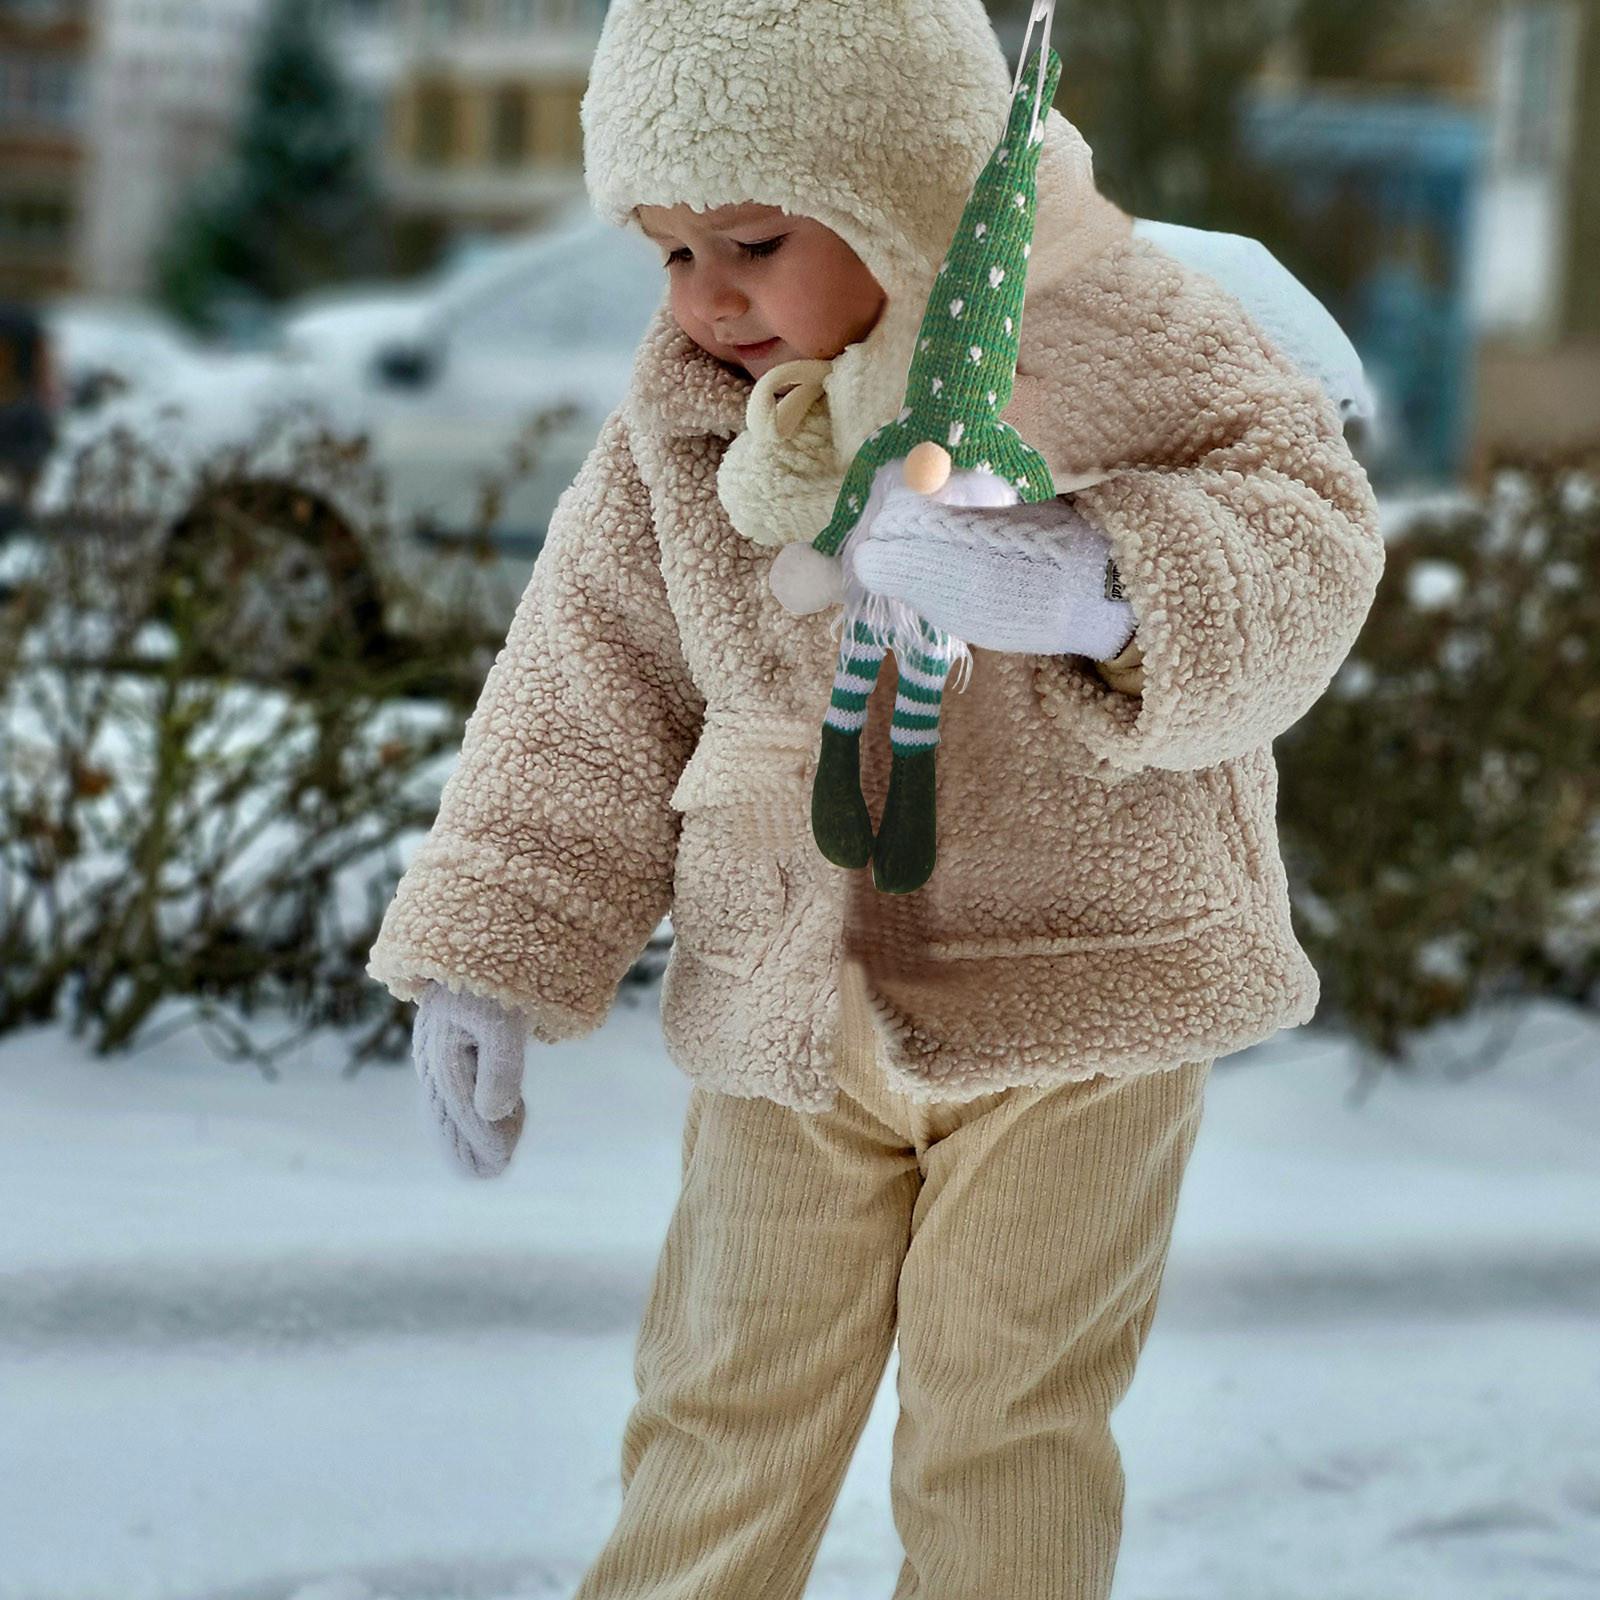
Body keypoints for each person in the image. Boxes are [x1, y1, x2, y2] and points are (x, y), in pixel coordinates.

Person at [366, 2, 1386, 1595]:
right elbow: (591, 676)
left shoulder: (1119, 323)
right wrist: (493, 947)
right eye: (668, 253)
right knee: (720, 1410)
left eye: (756, 239)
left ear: (906, 178)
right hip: (791, 999)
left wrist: (1106, 587)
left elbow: (1309, 534)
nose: (709, 296)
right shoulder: (691, 417)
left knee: (1008, 1425)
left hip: (1083, 994)